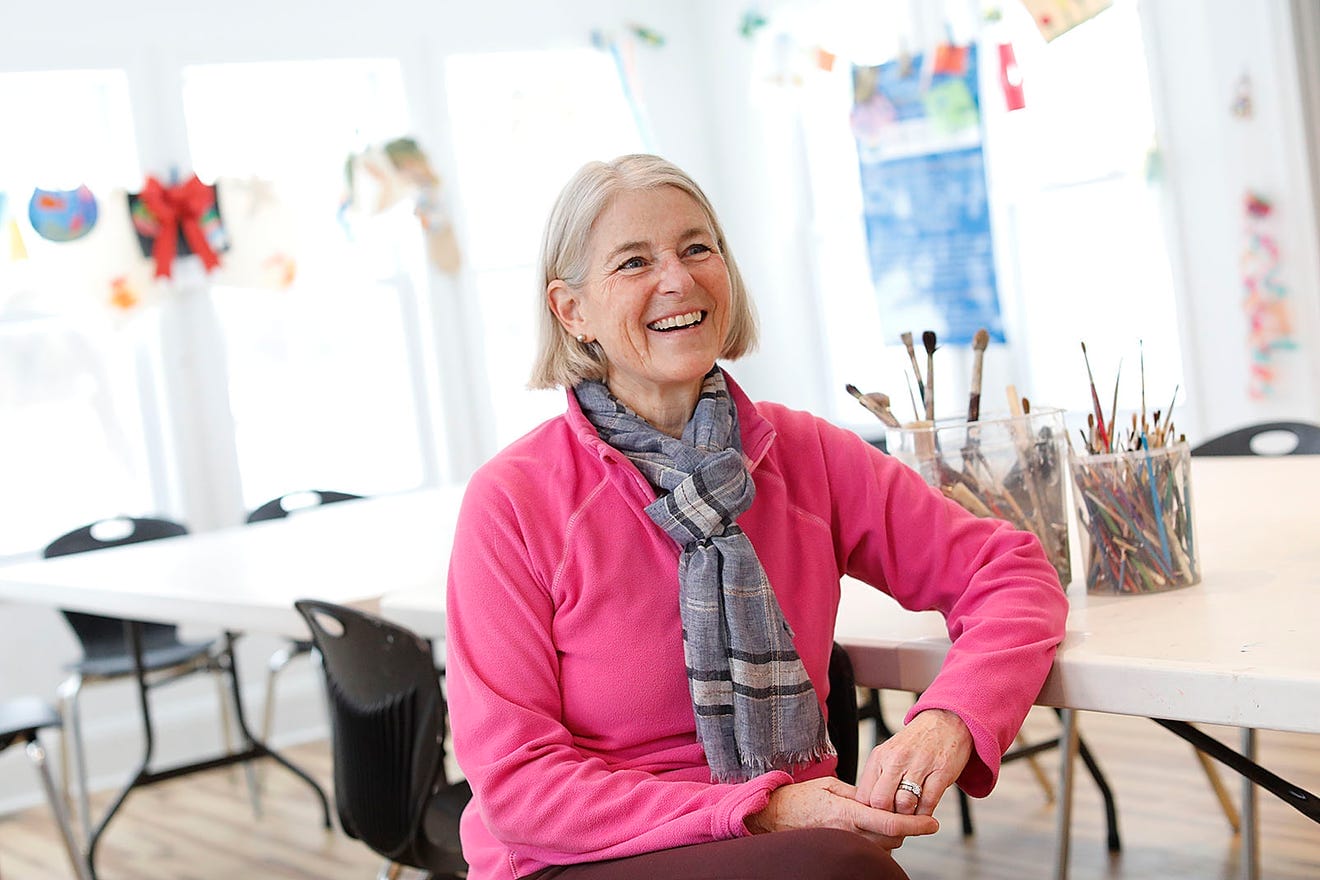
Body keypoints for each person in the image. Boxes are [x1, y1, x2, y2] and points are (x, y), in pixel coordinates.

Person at [445, 153, 1068, 880]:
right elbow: (521, 792)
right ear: (571, 310)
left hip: (792, 843)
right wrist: (759, 810)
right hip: (579, 858)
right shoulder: (513, 501)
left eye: (697, 247)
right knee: (844, 871)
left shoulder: (806, 455)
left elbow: (1011, 570)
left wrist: (949, 718)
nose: (677, 279)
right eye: (635, 261)